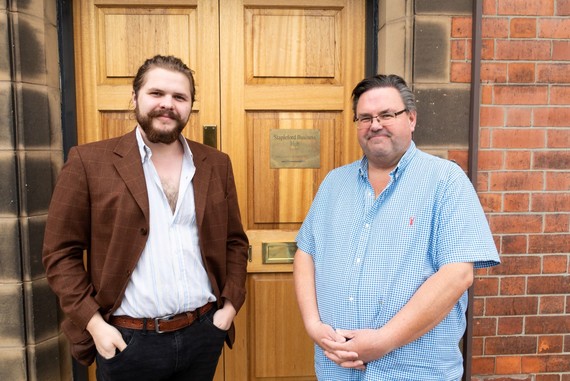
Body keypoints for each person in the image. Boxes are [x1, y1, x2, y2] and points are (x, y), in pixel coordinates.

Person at [43, 55, 249, 381]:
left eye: (179, 97)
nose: (167, 104)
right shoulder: (89, 161)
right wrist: (95, 326)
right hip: (127, 341)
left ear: (190, 105)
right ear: (135, 97)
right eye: (156, 93)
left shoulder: (216, 163)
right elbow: (59, 253)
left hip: (202, 334)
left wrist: (228, 308)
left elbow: (235, 242)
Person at [294, 74, 500, 380]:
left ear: (412, 118)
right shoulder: (334, 184)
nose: (375, 124)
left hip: (412, 372)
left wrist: (382, 341)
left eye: (387, 115)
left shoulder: (446, 181)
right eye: (364, 117)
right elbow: (305, 253)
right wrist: (313, 325)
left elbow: (458, 274)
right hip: (335, 368)